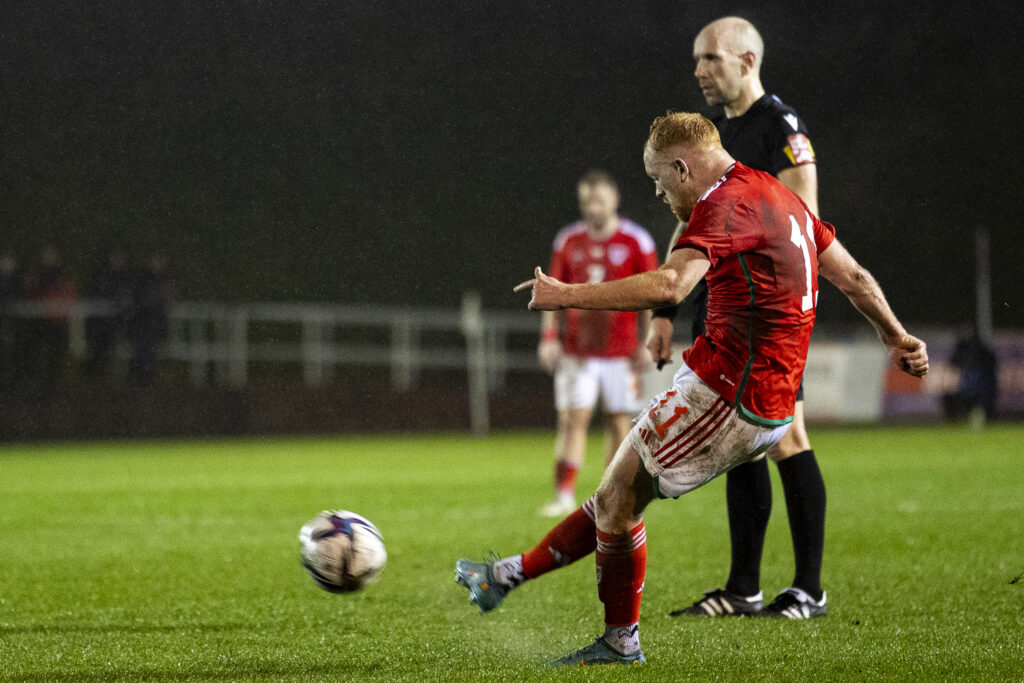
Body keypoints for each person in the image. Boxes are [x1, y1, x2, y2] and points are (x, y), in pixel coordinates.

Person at [455, 112, 928, 666]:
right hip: (746, 391)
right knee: (618, 495)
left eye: (660, 182)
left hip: (729, 397)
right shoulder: (775, 192)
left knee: (616, 500)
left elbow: (671, 282)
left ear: (683, 167)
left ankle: (618, 641)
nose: (661, 195)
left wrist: (566, 295)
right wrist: (895, 336)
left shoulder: (725, 203)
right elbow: (854, 278)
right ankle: (506, 577)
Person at [648, 16, 830, 619]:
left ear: (748, 61)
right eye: (697, 60)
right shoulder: (715, 136)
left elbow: (805, 227)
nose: (699, 70)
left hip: (767, 318)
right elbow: (692, 224)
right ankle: (744, 588)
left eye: (712, 59)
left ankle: (809, 589)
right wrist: (663, 306)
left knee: (786, 438)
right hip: (721, 311)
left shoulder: (782, 130)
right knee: (743, 444)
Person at [534, 169, 659, 517]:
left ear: (614, 199)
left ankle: (612, 493)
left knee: (620, 422)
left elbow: (652, 293)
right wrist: (549, 338)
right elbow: (551, 291)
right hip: (578, 351)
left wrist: (647, 340)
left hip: (622, 354)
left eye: (599, 199)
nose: (593, 206)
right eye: (587, 200)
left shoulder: (637, 241)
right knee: (573, 419)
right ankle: (563, 495)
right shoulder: (568, 240)